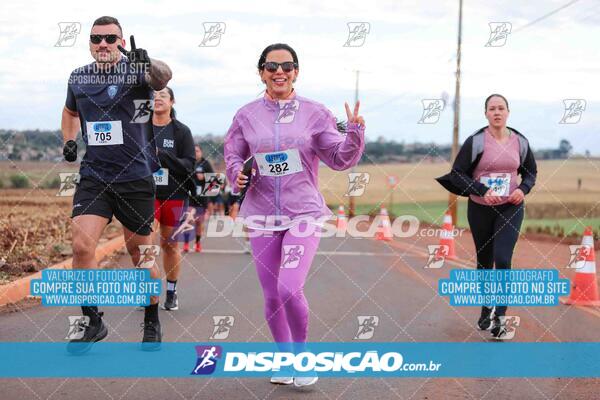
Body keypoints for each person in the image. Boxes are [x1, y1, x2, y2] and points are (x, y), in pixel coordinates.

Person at [224, 43, 365, 386]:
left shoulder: (315, 112)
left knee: (289, 287)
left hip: (302, 210)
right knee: (271, 294)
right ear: (261, 73)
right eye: (271, 66)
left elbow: (339, 157)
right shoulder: (246, 115)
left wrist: (355, 132)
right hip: (260, 214)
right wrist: (235, 174)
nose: (279, 72)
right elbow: (233, 154)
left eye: (287, 66)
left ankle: (302, 358)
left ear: (296, 72)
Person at [61, 15, 172, 352]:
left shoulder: (138, 72)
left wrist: (148, 61)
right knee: (81, 246)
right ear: (90, 43)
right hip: (95, 176)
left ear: (122, 41)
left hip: (135, 178)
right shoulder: (78, 77)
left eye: (110, 38)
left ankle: (152, 318)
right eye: (97, 39)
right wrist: (68, 140)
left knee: (141, 253)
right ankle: (93, 320)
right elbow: (69, 113)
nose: (103, 44)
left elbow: (164, 76)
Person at [436, 94, 537, 339]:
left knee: (502, 259)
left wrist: (522, 191)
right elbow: (458, 174)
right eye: (492, 109)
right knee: (484, 261)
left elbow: (531, 173)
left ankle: (500, 319)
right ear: (486, 114)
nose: (497, 112)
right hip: (480, 208)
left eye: (501, 108)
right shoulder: (476, 142)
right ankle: (486, 307)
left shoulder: (520, 142)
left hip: (509, 208)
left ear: (508, 112)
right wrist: (483, 190)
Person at [152, 86, 195, 311]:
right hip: (144, 195)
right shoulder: (139, 129)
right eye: (153, 95)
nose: (157, 98)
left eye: (162, 95)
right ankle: (147, 292)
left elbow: (189, 165)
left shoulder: (181, 131)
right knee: (144, 244)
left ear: (172, 102)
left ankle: (171, 291)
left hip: (174, 194)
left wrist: (163, 156)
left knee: (169, 244)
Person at [185, 144, 215, 252]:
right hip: (190, 197)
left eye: (197, 151)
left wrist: (205, 177)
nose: (195, 153)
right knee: (188, 220)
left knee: (199, 223)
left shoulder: (206, 164)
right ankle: (186, 244)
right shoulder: (188, 162)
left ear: (201, 152)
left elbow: (214, 181)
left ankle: (197, 243)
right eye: (194, 151)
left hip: (202, 198)